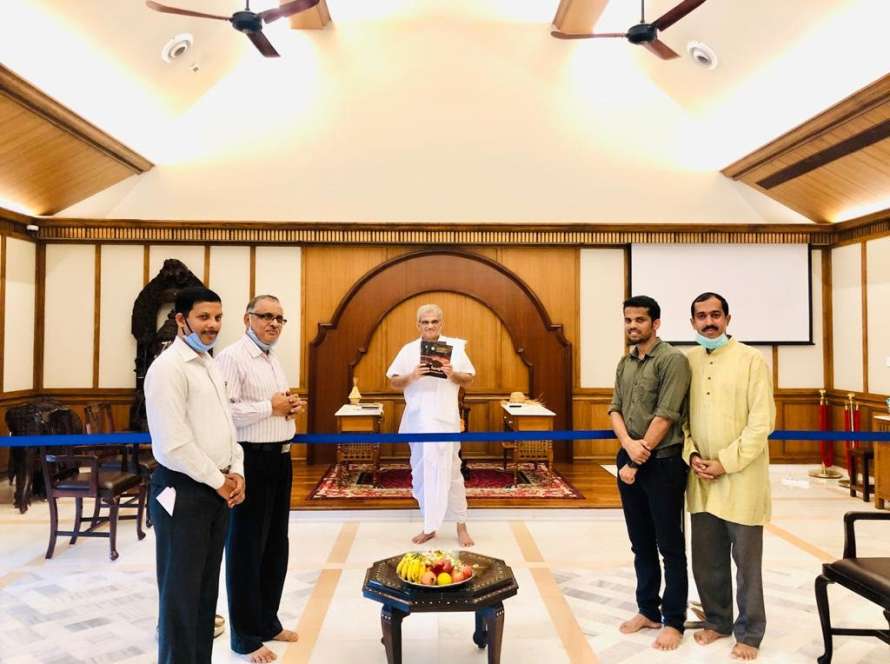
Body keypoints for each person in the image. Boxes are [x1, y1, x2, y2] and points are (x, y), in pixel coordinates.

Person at [145, 286, 245, 664]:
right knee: (180, 598)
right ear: (181, 319)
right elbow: (173, 444)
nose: (212, 325)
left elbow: (228, 428)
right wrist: (220, 482)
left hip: (216, 491)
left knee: (204, 596)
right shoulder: (167, 369)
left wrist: (237, 472)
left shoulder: (209, 364)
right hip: (183, 492)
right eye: (204, 317)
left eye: (217, 317)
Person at [683, 292, 775, 661]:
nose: (709, 322)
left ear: (727, 319)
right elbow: (682, 420)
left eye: (715, 315)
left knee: (747, 564)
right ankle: (718, 621)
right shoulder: (688, 361)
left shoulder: (751, 360)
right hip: (701, 478)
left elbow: (761, 423)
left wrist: (724, 462)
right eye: (702, 316)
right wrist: (692, 454)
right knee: (707, 560)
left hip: (742, 479)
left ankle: (750, 632)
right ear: (692, 322)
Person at [217, 295, 304, 664]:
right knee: (245, 550)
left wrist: (288, 407)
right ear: (247, 318)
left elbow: (272, 406)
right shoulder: (233, 357)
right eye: (266, 316)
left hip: (280, 460)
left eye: (279, 318)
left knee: (274, 547)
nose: (273, 324)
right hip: (250, 461)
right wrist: (271, 407)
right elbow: (225, 412)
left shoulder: (271, 358)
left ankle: (267, 621)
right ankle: (244, 636)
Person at [608, 295, 692, 651]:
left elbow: (667, 414)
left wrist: (636, 459)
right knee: (640, 543)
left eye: (640, 320)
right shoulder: (625, 362)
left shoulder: (673, 360)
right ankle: (648, 610)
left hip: (663, 463)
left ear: (655, 323)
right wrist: (628, 446)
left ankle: (673, 620)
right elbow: (615, 409)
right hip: (630, 456)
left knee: (669, 545)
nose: (633, 326)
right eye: (628, 320)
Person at [387, 304, 475, 547]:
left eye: (434, 321)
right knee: (422, 474)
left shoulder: (455, 348)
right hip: (418, 421)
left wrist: (452, 374)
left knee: (452, 473)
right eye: (425, 322)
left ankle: (461, 525)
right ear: (418, 325)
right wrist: (412, 376)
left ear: (441, 323)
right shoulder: (408, 350)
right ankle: (429, 526)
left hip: (446, 421)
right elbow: (394, 382)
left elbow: (469, 378)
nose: (430, 326)